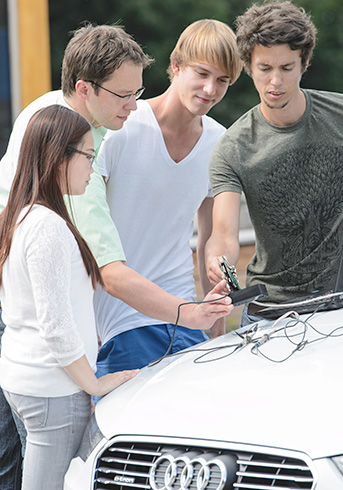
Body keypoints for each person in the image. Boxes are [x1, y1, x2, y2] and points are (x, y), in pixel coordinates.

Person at [0, 23, 232, 487]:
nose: (134, 105)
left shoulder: (92, 128)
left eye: (137, 92)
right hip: (45, 351)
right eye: (123, 95)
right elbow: (105, 273)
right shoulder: (65, 139)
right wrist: (94, 381)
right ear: (85, 89)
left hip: (61, 342)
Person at [205, 1, 343, 322]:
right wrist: (217, 260)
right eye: (265, 68)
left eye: (286, 68)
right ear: (249, 66)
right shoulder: (232, 147)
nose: (275, 82)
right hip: (270, 311)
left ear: (303, 63)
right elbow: (224, 234)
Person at [0, 105, 139, 490]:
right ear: (59, 156)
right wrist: (94, 384)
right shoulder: (47, 227)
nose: (92, 169)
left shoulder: (20, 215)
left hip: (26, 377)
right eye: (88, 157)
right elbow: (55, 327)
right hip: (52, 387)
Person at [94, 19, 242, 376]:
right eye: (202, 73)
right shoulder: (121, 128)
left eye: (223, 80)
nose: (210, 89)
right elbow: (85, 229)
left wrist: (215, 306)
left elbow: (211, 236)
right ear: (176, 67)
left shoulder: (220, 143)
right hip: (120, 316)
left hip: (184, 312)